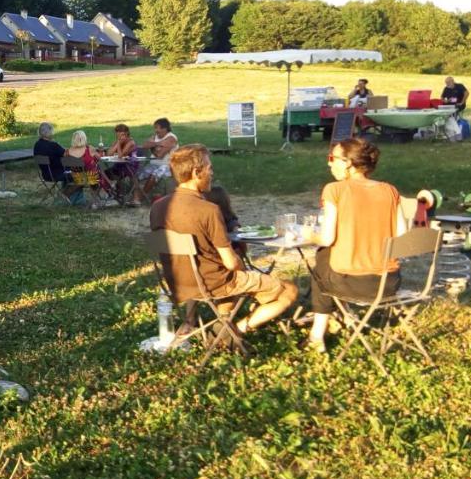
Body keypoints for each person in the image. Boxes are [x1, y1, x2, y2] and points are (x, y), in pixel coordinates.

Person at [150, 145, 297, 342]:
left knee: (226, 275)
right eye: (209, 168)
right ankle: (237, 329)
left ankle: (222, 320)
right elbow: (231, 264)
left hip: (178, 283)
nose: (212, 173)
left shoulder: (158, 207)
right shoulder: (208, 210)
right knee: (289, 290)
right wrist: (245, 269)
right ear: (196, 172)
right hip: (214, 284)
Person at [304, 137, 406, 351]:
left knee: (322, 261)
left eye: (332, 158)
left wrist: (307, 235)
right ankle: (343, 318)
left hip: (350, 284)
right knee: (325, 261)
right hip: (388, 284)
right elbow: (401, 235)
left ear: (348, 163)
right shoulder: (390, 190)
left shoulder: (335, 189)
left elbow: (327, 238)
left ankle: (317, 335)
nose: (329, 163)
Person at [133, 117, 179, 205]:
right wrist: (158, 144)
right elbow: (145, 145)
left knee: (154, 175)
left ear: (164, 128)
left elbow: (160, 155)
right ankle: (135, 196)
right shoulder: (156, 136)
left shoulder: (171, 138)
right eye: (155, 128)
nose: (155, 130)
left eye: (157, 128)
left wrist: (152, 146)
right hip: (153, 164)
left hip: (167, 165)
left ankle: (140, 197)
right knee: (137, 175)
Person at [64, 130, 101, 205]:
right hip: (90, 178)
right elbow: (100, 158)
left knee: (92, 176)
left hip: (74, 177)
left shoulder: (67, 151)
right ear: (84, 138)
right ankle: (95, 202)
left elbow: (65, 162)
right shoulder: (89, 148)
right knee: (100, 175)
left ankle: (65, 194)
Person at [33, 122, 70, 189]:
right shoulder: (53, 145)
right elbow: (67, 154)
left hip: (46, 175)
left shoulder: (37, 145)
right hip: (58, 173)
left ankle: (66, 193)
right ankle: (70, 196)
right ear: (50, 132)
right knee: (79, 175)